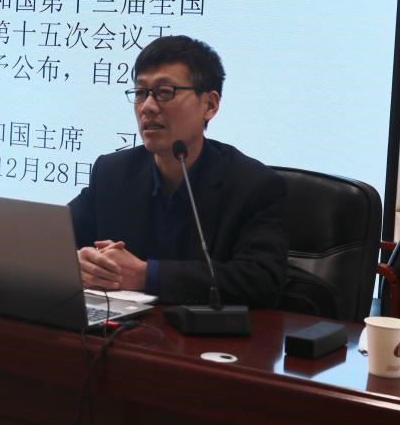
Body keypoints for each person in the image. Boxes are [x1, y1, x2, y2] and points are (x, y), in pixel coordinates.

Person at [69, 35, 288, 307]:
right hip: (121, 325)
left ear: (210, 105)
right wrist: (78, 261)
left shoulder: (254, 185)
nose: (147, 107)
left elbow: (261, 280)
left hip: (201, 331)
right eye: (140, 93)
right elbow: (54, 239)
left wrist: (146, 275)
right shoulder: (112, 172)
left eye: (165, 92)